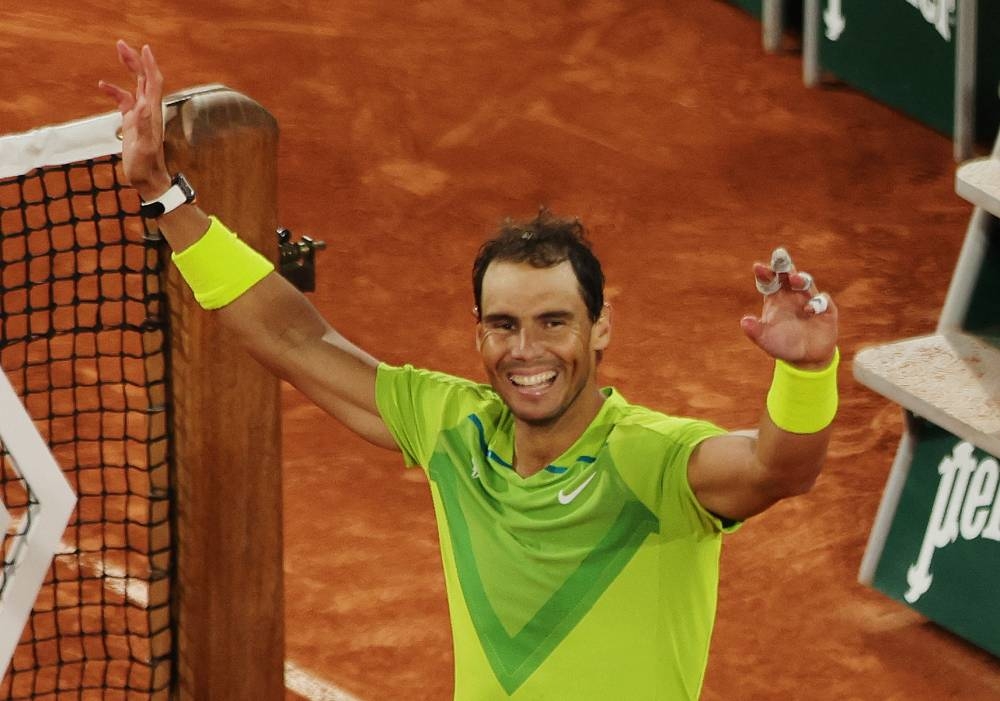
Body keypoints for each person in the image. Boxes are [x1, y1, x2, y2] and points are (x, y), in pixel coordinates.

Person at [100, 40, 839, 700]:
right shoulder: (451, 427)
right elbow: (296, 338)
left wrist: (806, 373)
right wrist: (166, 197)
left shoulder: (650, 460)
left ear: (601, 327)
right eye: (505, 324)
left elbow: (779, 469)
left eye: (554, 322)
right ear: (478, 333)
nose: (528, 350)